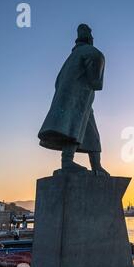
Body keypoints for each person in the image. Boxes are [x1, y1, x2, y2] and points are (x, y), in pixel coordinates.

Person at [38, 23, 109, 176]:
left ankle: (96, 166)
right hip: (78, 100)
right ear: (90, 38)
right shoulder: (89, 51)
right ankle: (67, 162)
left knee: (91, 134)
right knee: (73, 127)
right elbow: (96, 78)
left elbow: (57, 82)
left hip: (82, 102)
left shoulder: (71, 57)